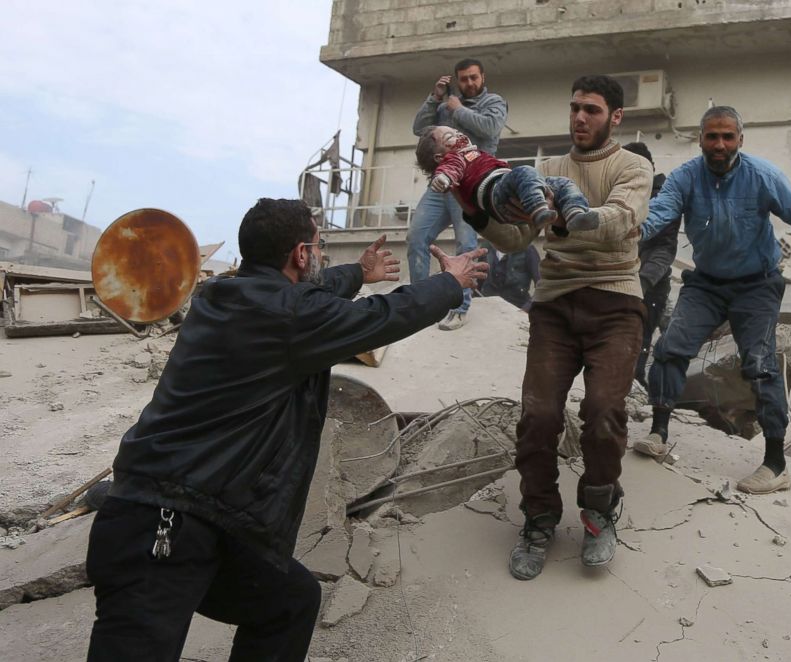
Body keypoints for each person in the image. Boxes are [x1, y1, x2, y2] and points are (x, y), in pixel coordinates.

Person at [85, 198, 488, 662]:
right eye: (317, 246)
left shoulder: (225, 297)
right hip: (162, 522)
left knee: (289, 601)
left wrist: (357, 272)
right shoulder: (290, 316)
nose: (320, 256)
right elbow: (379, 317)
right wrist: (449, 282)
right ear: (300, 254)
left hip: (203, 519)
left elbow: (308, 295)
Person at [464, 75, 652, 580]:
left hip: (616, 303)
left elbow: (618, 219)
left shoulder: (633, 167)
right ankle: (539, 519)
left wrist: (566, 221)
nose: (579, 118)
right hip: (554, 306)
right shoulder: (544, 169)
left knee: (604, 410)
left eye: (591, 110)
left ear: (616, 117)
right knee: (539, 415)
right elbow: (513, 239)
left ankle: (597, 514)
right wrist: (473, 208)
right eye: (574, 108)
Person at [638, 106, 791, 494]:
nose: (720, 144)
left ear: (740, 140)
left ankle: (776, 464)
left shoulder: (763, 176)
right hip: (705, 285)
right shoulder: (684, 178)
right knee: (670, 348)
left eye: (728, 136)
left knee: (760, 366)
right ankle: (659, 432)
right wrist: (624, 231)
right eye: (712, 136)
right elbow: (656, 215)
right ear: (700, 140)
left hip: (756, 286)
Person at [411, 57, 508, 331]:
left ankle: (460, 307)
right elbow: (420, 129)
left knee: (465, 244)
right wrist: (434, 98)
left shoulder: (494, 103)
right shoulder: (444, 105)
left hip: (470, 185)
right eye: (464, 79)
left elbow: (489, 128)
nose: (469, 83)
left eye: (474, 77)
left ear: (483, 77)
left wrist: (458, 109)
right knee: (417, 236)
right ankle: (418, 302)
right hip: (441, 182)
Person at [416, 126, 599, 232]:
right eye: (450, 137)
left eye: (456, 131)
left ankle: (576, 213)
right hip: (494, 193)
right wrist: (443, 178)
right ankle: (538, 209)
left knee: (562, 183)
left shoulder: (473, 152)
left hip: (507, 191)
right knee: (525, 171)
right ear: (440, 158)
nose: (458, 136)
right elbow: (450, 169)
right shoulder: (455, 158)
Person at [621, 142, 677, 389]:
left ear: (650, 168)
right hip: (619, 278)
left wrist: (643, 281)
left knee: (640, 338)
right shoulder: (621, 191)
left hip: (650, 284)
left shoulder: (666, 198)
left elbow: (664, 248)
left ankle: (636, 387)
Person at [477, 239, 541, 311]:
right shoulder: (486, 247)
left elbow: (542, 285)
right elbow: (479, 282)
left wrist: (526, 309)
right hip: (489, 307)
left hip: (517, 308)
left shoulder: (527, 250)